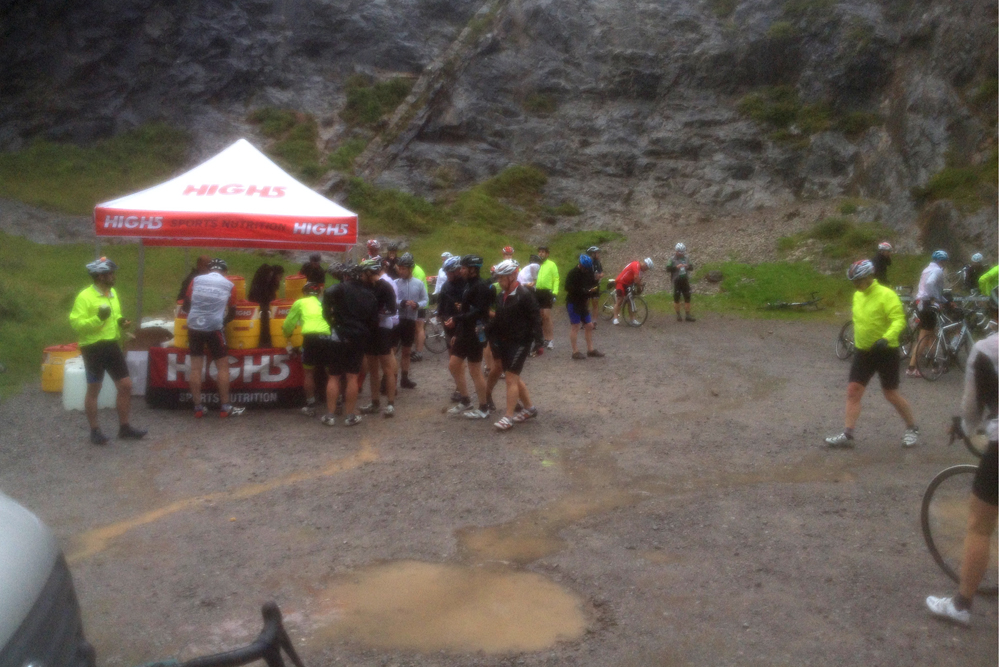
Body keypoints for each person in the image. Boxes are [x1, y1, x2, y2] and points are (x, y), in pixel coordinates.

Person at [925, 289, 998, 626]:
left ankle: (961, 605)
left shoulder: (986, 349)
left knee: (980, 526)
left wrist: (964, 428)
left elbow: (971, 409)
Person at [825, 260, 919, 448]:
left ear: (869, 277)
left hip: (885, 351)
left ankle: (912, 428)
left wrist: (886, 337)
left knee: (890, 393)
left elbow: (899, 320)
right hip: (863, 352)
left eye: (858, 280)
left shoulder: (887, 295)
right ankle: (848, 435)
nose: (855, 285)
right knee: (853, 391)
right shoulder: (857, 296)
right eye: (853, 281)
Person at [69, 257, 147, 445]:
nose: (113, 276)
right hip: (92, 347)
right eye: (110, 274)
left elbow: (115, 315)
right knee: (94, 389)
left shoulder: (111, 293)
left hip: (111, 345)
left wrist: (121, 321)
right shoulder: (85, 296)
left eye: (113, 273)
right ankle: (95, 430)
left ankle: (124, 427)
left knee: (126, 385)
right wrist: (98, 319)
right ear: (99, 276)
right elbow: (77, 325)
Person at [485, 260, 544, 431]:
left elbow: (536, 318)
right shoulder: (501, 296)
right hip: (505, 341)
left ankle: (508, 417)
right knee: (515, 377)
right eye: (498, 278)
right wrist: (485, 331)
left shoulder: (525, 295)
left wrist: (539, 342)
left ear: (512, 276)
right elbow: (499, 319)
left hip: (521, 342)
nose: (499, 281)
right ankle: (530, 408)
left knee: (510, 377)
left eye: (502, 278)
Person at [184, 258, 245, 418]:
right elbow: (232, 313)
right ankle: (225, 407)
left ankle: (198, 407)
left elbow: (185, 305)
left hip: (194, 325)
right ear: (225, 272)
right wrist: (221, 322)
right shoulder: (229, 285)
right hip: (214, 327)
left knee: (195, 368)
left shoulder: (196, 280)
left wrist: (198, 315)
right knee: (222, 367)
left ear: (209, 270)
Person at [321, 262, 378, 427]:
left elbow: (327, 295)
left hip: (338, 335)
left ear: (346, 276)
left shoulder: (339, 289)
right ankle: (350, 416)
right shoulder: (369, 294)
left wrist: (330, 319)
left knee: (334, 376)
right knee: (352, 377)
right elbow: (373, 320)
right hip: (357, 337)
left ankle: (330, 415)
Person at [445, 254, 492, 418]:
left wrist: (456, 319)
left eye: (464, 268)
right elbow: (465, 311)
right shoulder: (468, 285)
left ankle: (484, 407)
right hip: (464, 332)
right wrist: (457, 332)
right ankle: (466, 400)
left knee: (475, 370)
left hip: (475, 333)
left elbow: (478, 312)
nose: (461, 270)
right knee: (453, 365)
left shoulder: (481, 287)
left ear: (473, 269)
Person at [283, 281, 330, 417]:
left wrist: (287, 335)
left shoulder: (300, 303)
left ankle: (311, 405)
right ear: (318, 293)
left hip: (310, 338)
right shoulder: (323, 303)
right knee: (332, 373)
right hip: (327, 336)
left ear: (304, 293)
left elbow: (288, 324)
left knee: (308, 373)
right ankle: (337, 402)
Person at [359, 259, 398, 417]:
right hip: (369, 330)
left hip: (382, 330)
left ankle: (390, 404)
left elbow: (393, 309)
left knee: (387, 368)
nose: (361, 276)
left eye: (363, 273)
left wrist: (376, 314)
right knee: (373, 369)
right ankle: (375, 402)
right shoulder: (364, 286)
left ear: (369, 272)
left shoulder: (385, 286)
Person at [907, 250, 949, 378]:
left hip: (921, 304)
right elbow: (930, 284)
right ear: (942, 261)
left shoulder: (927, 269)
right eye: (945, 261)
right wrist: (935, 298)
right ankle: (911, 368)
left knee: (931, 336)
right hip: (928, 305)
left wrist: (944, 300)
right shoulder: (937, 270)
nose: (945, 264)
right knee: (924, 338)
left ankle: (935, 365)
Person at [394, 253, 428, 389]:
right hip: (397, 321)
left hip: (410, 320)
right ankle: (389, 378)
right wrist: (400, 303)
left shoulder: (418, 283)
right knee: (392, 352)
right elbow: (391, 300)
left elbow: (425, 300)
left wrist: (417, 305)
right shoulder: (395, 283)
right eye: (400, 268)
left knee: (406, 351)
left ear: (410, 269)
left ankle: (404, 378)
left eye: (404, 269)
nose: (401, 271)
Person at [438, 255, 466, 403]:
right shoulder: (446, 286)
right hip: (448, 326)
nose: (447, 275)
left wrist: (457, 321)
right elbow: (441, 307)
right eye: (446, 272)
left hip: (462, 327)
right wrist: (443, 319)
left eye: (449, 272)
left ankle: (460, 390)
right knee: (452, 360)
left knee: (458, 360)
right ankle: (458, 385)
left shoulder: (466, 286)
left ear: (457, 271)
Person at [565, 254, 603, 359]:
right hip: (573, 302)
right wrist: (582, 290)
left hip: (583, 302)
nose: (586, 270)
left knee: (589, 325)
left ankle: (590, 350)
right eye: (585, 268)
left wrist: (595, 285)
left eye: (587, 268)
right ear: (580, 265)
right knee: (575, 326)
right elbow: (567, 288)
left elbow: (591, 283)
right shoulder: (572, 273)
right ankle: (575, 352)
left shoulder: (588, 272)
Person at [612, 258, 653, 325]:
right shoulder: (636, 264)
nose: (646, 270)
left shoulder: (641, 271)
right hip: (621, 282)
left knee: (630, 301)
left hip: (628, 284)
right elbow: (636, 278)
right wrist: (639, 287)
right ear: (645, 265)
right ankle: (615, 318)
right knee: (620, 300)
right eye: (647, 268)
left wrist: (639, 287)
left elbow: (637, 280)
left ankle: (632, 319)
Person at [535, 245, 559, 349]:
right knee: (540, 317)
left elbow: (556, 279)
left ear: (547, 254)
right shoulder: (535, 264)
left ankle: (550, 339)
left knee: (546, 316)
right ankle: (545, 338)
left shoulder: (551, 264)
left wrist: (555, 292)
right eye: (539, 252)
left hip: (547, 292)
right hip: (536, 291)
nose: (541, 253)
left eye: (543, 252)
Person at [666, 242, 696, 322]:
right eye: (680, 252)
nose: (681, 254)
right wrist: (676, 267)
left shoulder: (686, 258)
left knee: (687, 297)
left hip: (685, 280)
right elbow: (667, 269)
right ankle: (678, 315)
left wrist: (687, 266)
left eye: (683, 252)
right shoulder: (672, 259)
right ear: (676, 251)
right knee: (677, 298)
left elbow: (692, 267)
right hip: (677, 281)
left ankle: (688, 315)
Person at [410, 260, 428, 361]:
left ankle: (419, 352)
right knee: (416, 328)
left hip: (421, 304)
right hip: (416, 303)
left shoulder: (418, 272)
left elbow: (416, 289)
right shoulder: (414, 270)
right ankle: (416, 349)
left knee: (419, 328)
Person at [587, 246, 604, 324]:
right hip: (588, 285)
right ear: (592, 254)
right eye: (597, 253)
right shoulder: (588, 262)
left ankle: (594, 322)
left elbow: (602, 272)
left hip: (596, 285)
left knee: (595, 303)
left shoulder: (598, 262)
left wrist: (599, 275)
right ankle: (586, 321)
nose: (598, 255)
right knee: (586, 303)